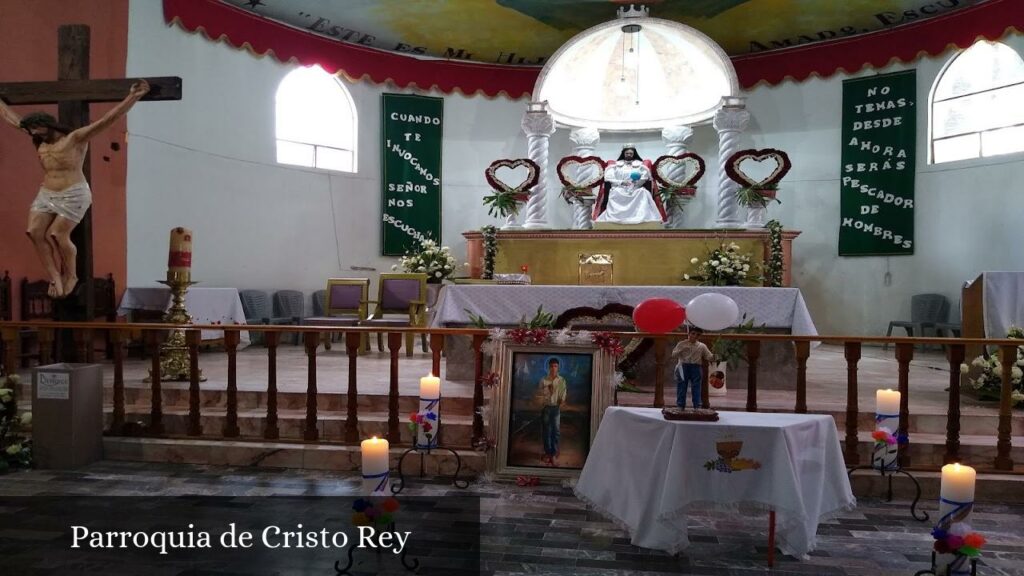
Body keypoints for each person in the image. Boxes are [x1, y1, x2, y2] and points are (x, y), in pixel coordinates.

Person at [0, 80, 150, 298]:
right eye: (31, 130)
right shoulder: (38, 138)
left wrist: (133, 96)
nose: (33, 133)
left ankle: (71, 275)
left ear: (48, 125)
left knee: (57, 234)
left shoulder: (75, 138)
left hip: (73, 192)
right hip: (47, 192)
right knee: (33, 232)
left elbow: (107, 121)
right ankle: (55, 276)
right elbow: (13, 119)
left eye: (36, 128)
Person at [593, 144, 667, 225]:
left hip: (635, 188)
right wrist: (621, 182)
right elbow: (609, 178)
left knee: (643, 192)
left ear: (634, 154)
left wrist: (636, 182)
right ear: (623, 154)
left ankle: (639, 216)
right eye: (627, 153)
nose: (629, 155)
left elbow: (645, 176)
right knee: (615, 192)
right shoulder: (616, 165)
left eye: (631, 153)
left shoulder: (639, 165)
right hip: (619, 187)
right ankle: (618, 217)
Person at [670, 327, 715, 409]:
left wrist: (715, 356)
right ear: (689, 334)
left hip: (696, 367)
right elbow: (673, 355)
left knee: (696, 386)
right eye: (693, 333)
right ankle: (680, 405)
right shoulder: (681, 344)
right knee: (682, 386)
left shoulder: (702, 346)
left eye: (698, 335)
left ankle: (696, 405)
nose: (695, 336)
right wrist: (682, 349)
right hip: (683, 366)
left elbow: (708, 356)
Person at [537, 357, 567, 465]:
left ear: (558, 367)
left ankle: (553, 453)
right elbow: (539, 394)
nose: (553, 368)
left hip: (556, 408)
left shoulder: (561, 380)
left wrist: (561, 400)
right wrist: (547, 391)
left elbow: (563, 394)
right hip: (546, 408)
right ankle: (547, 452)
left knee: (556, 431)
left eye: (555, 366)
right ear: (548, 367)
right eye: (551, 366)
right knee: (546, 431)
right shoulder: (543, 380)